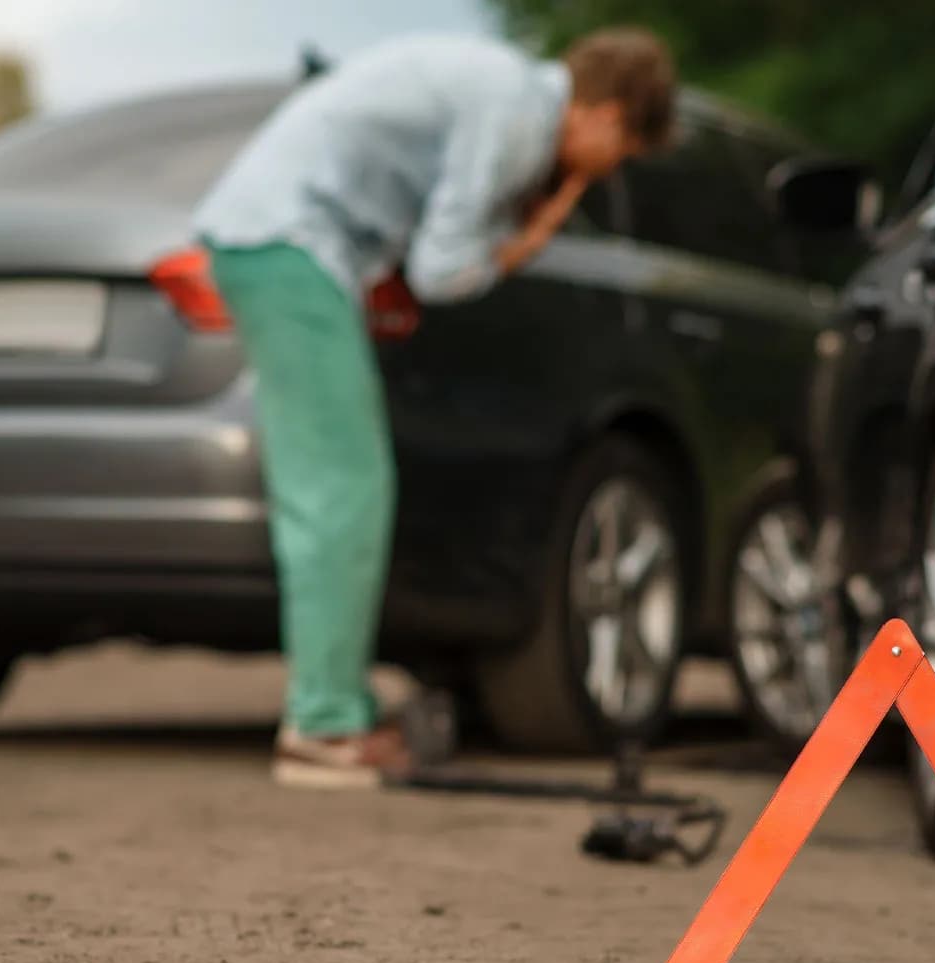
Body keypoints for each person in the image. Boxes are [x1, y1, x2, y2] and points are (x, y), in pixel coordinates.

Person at [193, 28, 678, 790]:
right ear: (610, 117)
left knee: (320, 486)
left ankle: (333, 704)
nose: (610, 169)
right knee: (343, 488)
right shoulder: (518, 113)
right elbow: (441, 268)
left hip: (269, 238)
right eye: (622, 154)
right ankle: (323, 727)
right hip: (290, 243)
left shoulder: (502, 85)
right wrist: (526, 241)